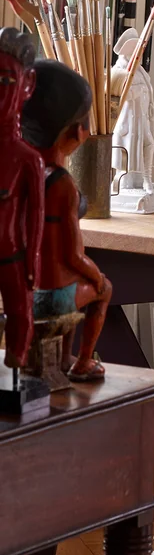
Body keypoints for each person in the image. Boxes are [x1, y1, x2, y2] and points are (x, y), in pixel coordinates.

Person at [21, 60, 112, 382]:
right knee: (103, 289)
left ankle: (62, 359)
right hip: (51, 297)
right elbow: (72, 256)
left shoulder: (20, 176)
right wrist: (96, 276)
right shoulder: (62, 185)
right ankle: (83, 362)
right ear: (78, 131)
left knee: (73, 286)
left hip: (21, 289)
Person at [0, 28, 44, 371]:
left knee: (20, 313)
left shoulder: (28, 159)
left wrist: (32, 262)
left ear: (27, 85)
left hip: (12, 256)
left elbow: (36, 215)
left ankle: (14, 369)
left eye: (5, 81)